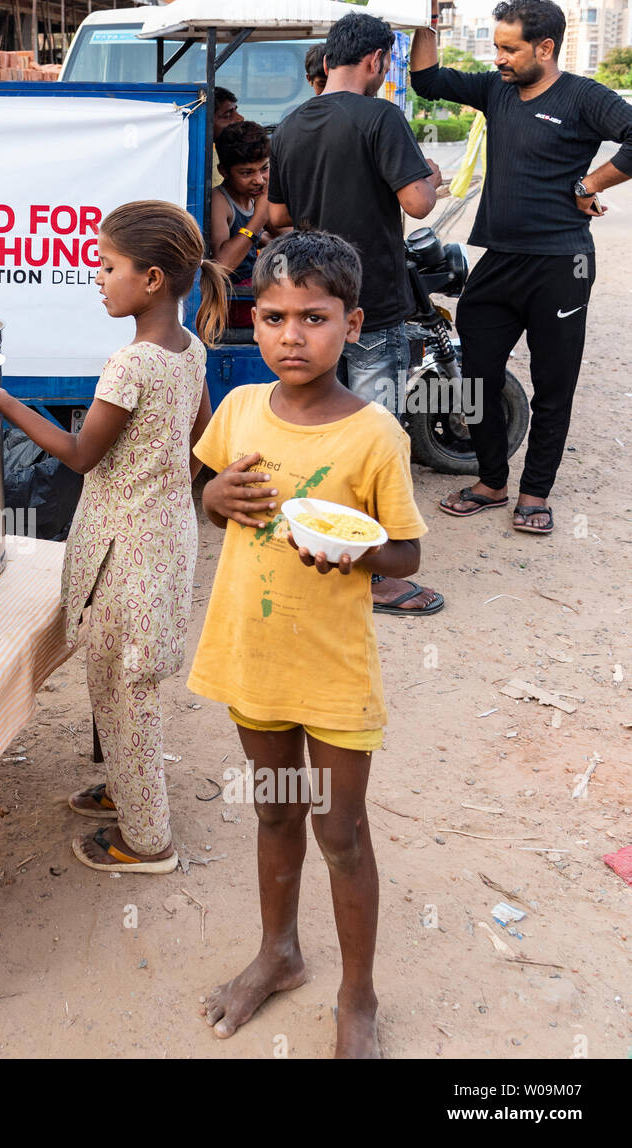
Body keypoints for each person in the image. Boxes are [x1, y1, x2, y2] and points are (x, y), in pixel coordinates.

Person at [0, 201, 229, 874]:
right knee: (122, 679)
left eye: (107, 266)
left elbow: (78, 454)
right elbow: (201, 441)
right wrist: (162, 484)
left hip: (125, 555)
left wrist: (0, 400)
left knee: (127, 690)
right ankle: (127, 787)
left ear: (152, 279)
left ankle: (147, 840)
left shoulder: (131, 365)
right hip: (165, 541)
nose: (96, 277)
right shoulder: (190, 353)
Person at [189, 231, 427, 1058]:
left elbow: (406, 553)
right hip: (252, 652)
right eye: (273, 317)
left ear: (353, 324)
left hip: (333, 669)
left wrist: (359, 550)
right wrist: (213, 493)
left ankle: (357, 996)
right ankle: (279, 953)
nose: (291, 336)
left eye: (314, 318)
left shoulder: (373, 437)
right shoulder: (239, 409)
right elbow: (211, 497)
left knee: (340, 831)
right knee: (276, 807)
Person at [414, 0, 632, 535]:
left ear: (545, 48)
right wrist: (423, 17)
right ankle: (492, 481)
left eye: (509, 49)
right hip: (500, 259)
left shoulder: (583, 96)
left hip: (561, 263)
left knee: (553, 382)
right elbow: (427, 80)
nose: (499, 58)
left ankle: (534, 492)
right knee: (475, 373)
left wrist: (591, 184)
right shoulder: (496, 90)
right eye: (496, 47)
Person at [269, 11, 444, 617]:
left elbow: (275, 217)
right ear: (374, 60)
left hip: (317, 304)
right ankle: (376, 575)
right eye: (388, 62)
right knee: (376, 433)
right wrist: (432, 179)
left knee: (324, 428)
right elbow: (418, 203)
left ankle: (319, 545)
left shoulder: (291, 123)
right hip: (372, 304)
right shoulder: (380, 116)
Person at [211, 121, 282, 326]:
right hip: (232, 302)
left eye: (264, 169)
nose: (259, 180)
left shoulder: (254, 197)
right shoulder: (220, 201)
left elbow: (285, 233)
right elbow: (221, 267)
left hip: (251, 295)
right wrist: (259, 218)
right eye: (246, 173)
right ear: (224, 171)